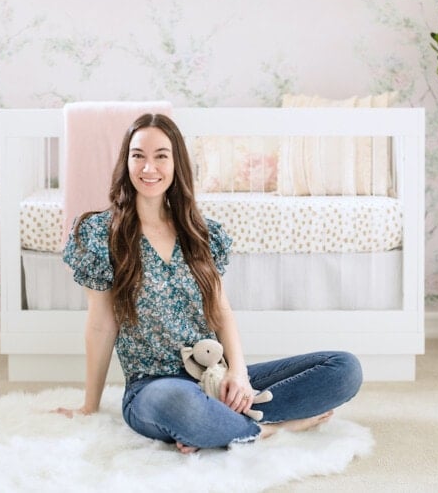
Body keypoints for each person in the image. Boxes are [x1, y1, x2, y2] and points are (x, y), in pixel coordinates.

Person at [56, 113, 362, 453]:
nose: (148, 167)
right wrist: (90, 405)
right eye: (138, 155)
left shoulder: (200, 233)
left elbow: (220, 310)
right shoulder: (99, 233)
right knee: (182, 405)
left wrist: (239, 376)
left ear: (177, 164)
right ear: (125, 160)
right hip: (154, 389)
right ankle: (270, 428)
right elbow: (101, 325)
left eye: (161, 156)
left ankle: (218, 425)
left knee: (344, 369)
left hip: (214, 378)